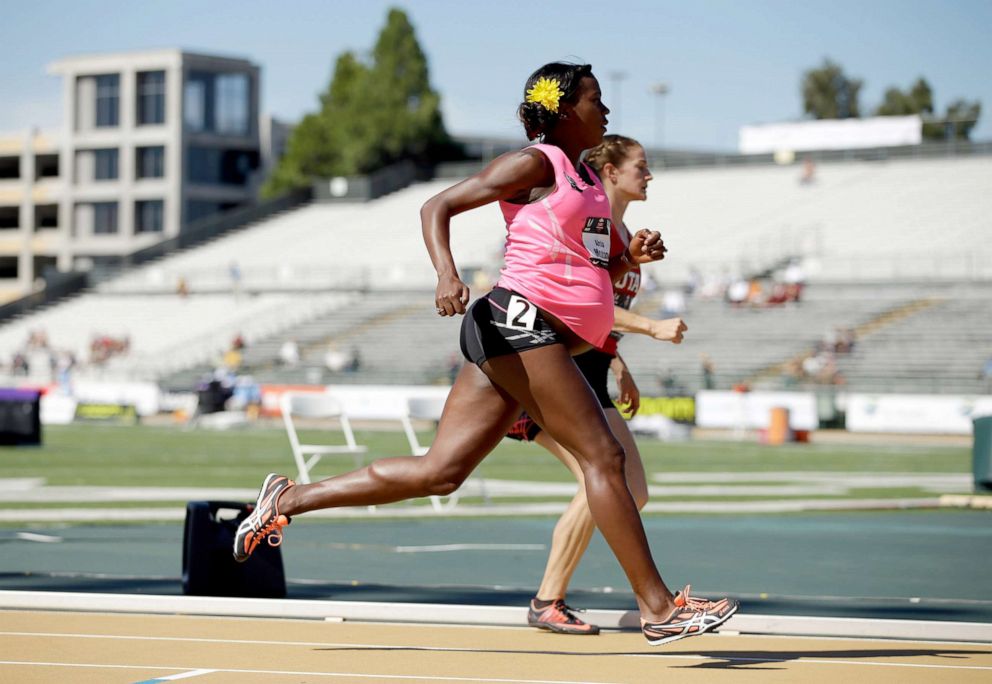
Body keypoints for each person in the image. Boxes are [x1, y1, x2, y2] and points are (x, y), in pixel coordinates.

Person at [231, 62, 737, 646]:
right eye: (597, 100)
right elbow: (436, 207)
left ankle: (286, 500)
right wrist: (446, 274)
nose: (606, 111)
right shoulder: (535, 163)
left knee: (440, 473)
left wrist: (630, 260)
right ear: (565, 108)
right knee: (604, 457)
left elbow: (586, 269)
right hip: (518, 324)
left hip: (528, 338)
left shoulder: (589, 184)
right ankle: (659, 609)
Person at [506, 134, 690, 636]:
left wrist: (618, 364)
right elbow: (579, 303)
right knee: (605, 479)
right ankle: (553, 599)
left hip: (590, 371)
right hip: (549, 369)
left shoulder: (623, 231)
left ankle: (558, 599)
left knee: (631, 487)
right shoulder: (590, 226)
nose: (649, 175)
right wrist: (652, 327)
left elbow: (605, 316)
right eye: (641, 166)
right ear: (609, 171)